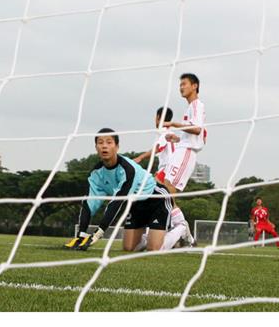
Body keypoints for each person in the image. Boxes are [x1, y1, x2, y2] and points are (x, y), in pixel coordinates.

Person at [64, 128, 172, 252]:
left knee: (153, 249)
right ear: (96, 147)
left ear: (117, 147)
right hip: (135, 205)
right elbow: (89, 204)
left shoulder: (128, 169)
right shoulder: (96, 173)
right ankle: (148, 238)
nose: (104, 146)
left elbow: (117, 202)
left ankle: (179, 231)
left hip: (156, 199)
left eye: (109, 142)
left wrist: (98, 233)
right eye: (100, 142)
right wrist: (81, 235)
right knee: (128, 248)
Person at [133, 107, 193, 249]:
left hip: (167, 171)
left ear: (159, 117)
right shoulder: (173, 134)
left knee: (159, 202)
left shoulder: (164, 132)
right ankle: (184, 235)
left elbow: (158, 149)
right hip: (168, 171)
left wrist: (140, 157)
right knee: (168, 203)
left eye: (156, 117)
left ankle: (179, 232)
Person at [160, 73, 206, 203]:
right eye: (180, 85)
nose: (181, 87)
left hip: (187, 151)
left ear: (194, 86)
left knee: (170, 186)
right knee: (166, 184)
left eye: (184, 84)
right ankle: (173, 220)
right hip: (182, 148)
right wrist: (177, 139)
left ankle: (178, 222)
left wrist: (173, 124)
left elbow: (197, 129)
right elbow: (193, 133)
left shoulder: (197, 105)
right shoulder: (190, 107)